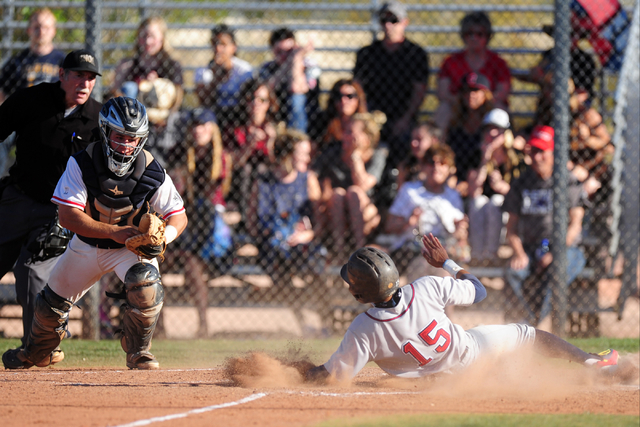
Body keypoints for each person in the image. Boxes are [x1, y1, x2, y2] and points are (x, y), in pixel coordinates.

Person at [2, 97, 188, 370]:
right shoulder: (82, 162)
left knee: (146, 284)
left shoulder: (151, 170)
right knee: (49, 308)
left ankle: (138, 351)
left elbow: (178, 216)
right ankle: (35, 351)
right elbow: (68, 217)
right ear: (105, 131)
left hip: (128, 249)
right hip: (86, 246)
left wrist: (164, 238)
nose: (126, 144)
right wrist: (115, 232)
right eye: (119, 136)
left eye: (132, 138)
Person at [305, 234, 619, 382]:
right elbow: (478, 291)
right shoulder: (425, 286)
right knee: (527, 334)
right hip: (473, 351)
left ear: (361, 296)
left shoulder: (364, 328)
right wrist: (446, 263)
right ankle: (589, 362)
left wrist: (300, 370)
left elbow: (332, 377)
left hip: (439, 383)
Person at [0, 49, 102, 366]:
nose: (84, 83)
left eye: (90, 78)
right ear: (62, 75)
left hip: (58, 213)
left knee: (31, 273)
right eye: (78, 75)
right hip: (18, 198)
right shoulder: (33, 101)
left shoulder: (98, 119)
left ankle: (40, 346)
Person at [502, 125, 586, 326]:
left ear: (554, 153)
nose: (537, 157)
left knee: (557, 270)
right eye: (534, 151)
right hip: (530, 248)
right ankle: (524, 324)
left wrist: (556, 251)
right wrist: (519, 253)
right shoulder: (522, 182)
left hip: (567, 249)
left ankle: (532, 327)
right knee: (512, 272)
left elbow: (575, 224)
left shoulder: (568, 182)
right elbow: (511, 228)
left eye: (543, 152)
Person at [169, 108, 232, 338]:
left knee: (192, 264)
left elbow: (213, 196)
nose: (198, 130)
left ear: (212, 129)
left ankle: (204, 324)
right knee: (161, 261)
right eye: (195, 126)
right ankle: (159, 327)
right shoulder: (181, 154)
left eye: (203, 126)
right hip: (186, 219)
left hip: (208, 224)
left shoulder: (220, 157)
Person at [353, 1, 429, 167]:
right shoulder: (367, 53)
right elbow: (358, 89)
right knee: (361, 137)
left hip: (403, 115)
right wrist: (367, 119)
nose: (388, 25)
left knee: (406, 140)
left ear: (405, 22)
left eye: (393, 20)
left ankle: (398, 180)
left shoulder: (415, 54)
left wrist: (405, 119)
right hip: (373, 114)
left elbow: (419, 91)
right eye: (383, 20)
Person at [252, 129, 324, 302]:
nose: (308, 159)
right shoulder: (263, 182)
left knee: (315, 267)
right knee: (277, 258)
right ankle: (299, 315)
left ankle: (324, 317)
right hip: (273, 246)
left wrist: (308, 234)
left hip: (303, 244)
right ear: (287, 155)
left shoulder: (308, 179)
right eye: (303, 154)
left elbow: (321, 220)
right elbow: (252, 222)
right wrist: (278, 234)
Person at [380, 144, 469, 277]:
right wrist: (408, 223)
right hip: (411, 250)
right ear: (423, 166)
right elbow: (389, 225)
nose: (436, 167)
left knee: (444, 272)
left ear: (450, 169)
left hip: (444, 251)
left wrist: (460, 230)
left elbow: (461, 236)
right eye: (431, 162)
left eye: (442, 163)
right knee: (423, 267)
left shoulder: (453, 196)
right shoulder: (410, 190)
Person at [110, 16, 184, 166]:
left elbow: (177, 96)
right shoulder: (128, 65)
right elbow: (115, 92)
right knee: (130, 87)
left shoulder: (171, 65)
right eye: (144, 36)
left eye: (152, 36)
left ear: (162, 38)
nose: (148, 41)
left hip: (162, 117)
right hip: (135, 117)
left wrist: (158, 85)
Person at [314, 112, 388, 257]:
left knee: (354, 192)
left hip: (365, 213)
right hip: (337, 212)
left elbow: (363, 185)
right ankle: (339, 251)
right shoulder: (333, 153)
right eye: (345, 131)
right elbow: (316, 178)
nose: (345, 136)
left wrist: (355, 157)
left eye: (351, 132)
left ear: (367, 138)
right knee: (338, 194)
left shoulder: (377, 155)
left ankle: (360, 251)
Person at [435, 10, 511, 136]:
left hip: (487, 107)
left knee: (499, 108)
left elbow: (502, 92)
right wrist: (464, 101)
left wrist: (481, 100)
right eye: (469, 33)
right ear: (463, 36)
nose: (474, 38)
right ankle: (438, 150)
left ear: (487, 36)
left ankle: (500, 151)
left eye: (479, 34)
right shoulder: (451, 62)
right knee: (444, 108)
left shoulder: (498, 62)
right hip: (459, 108)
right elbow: (443, 93)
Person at [467, 109, 526, 264]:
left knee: (496, 201)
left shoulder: (516, 157)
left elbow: (522, 194)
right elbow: (473, 191)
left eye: (497, 130)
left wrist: (504, 187)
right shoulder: (476, 154)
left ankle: (492, 255)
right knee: (478, 202)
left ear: (506, 133)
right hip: (482, 209)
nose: (492, 133)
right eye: (488, 128)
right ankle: (478, 254)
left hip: (506, 208)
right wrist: (485, 161)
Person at [225, 78, 279, 231]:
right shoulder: (237, 128)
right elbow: (234, 164)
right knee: (246, 169)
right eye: (252, 98)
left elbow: (276, 165)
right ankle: (244, 220)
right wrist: (249, 144)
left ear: (269, 103)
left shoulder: (274, 128)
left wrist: (271, 141)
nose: (256, 103)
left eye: (262, 99)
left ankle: (260, 220)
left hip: (266, 178)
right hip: (240, 181)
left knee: (262, 169)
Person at [258, 27, 321, 134]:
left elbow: (295, 88)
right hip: (276, 111)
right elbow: (267, 89)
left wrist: (296, 60)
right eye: (279, 52)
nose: (284, 56)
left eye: (288, 51)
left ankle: (296, 137)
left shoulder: (310, 66)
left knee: (296, 99)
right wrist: (290, 61)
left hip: (307, 112)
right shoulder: (267, 68)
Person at [195, 24, 253, 134]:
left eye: (223, 44)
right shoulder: (203, 71)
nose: (218, 49)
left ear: (233, 47)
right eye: (215, 43)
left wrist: (228, 70)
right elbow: (204, 102)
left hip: (239, 115)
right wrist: (215, 78)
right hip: (215, 115)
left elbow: (248, 98)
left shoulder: (244, 70)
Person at [0, 8, 66, 104]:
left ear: (53, 31)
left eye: (46, 27)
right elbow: (2, 92)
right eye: (37, 27)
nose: (41, 31)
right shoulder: (17, 61)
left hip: (53, 115)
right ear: (29, 30)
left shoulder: (63, 61)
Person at [446, 72, 495, 195]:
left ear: (486, 95)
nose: (470, 95)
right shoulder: (455, 125)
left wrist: (470, 185)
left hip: (485, 183)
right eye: (466, 91)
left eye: (475, 91)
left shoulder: (492, 125)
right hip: (456, 182)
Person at [316, 79, 368, 152]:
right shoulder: (324, 123)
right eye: (339, 96)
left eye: (350, 96)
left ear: (358, 99)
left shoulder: (366, 125)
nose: (343, 100)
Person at [395, 121, 441, 190]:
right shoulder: (405, 167)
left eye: (419, 139)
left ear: (434, 141)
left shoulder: (442, 167)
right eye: (413, 138)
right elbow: (401, 194)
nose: (413, 143)